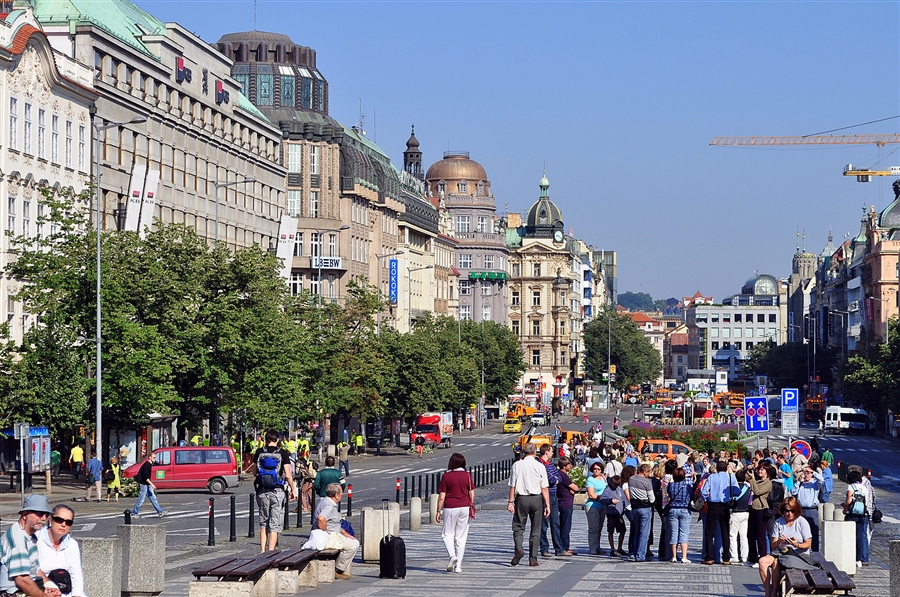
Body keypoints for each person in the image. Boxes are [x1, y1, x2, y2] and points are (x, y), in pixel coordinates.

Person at [0, 494, 61, 597]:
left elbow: (35, 569)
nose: (43, 518)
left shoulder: (28, 535)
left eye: (46, 514)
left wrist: (51, 586)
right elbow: (22, 580)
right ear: (24, 515)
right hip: (12, 593)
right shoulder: (18, 542)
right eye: (39, 513)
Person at [758, 497, 812, 597]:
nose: (789, 513)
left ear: (796, 511)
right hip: (781, 552)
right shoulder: (778, 522)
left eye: (792, 511)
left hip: (798, 553)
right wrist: (779, 541)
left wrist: (796, 544)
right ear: (783, 510)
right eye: (787, 510)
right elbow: (774, 546)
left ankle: (774, 593)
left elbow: (808, 544)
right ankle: (768, 592)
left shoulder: (802, 522)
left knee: (776, 562)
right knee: (762, 561)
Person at [507, 442, 550, 567]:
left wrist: (510, 502)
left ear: (524, 452)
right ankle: (533, 559)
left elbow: (512, 485)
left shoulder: (517, 465)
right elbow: (544, 488)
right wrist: (547, 505)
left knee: (518, 527)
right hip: (536, 499)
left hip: (521, 499)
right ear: (535, 452)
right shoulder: (540, 466)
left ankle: (519, 549)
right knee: (536, 529)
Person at [254, 430, 296, 553]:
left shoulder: (259, 452)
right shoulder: (282, 453)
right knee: (275, 524)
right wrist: (293, 489)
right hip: (277, 491)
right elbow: (288, 475)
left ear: (266, 440)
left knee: (263, 523)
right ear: (277, 439)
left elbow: (254, 473)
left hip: (262, 491)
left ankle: (262, 551)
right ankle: (271, 552)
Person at [436, 453, 474, 574]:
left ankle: (452, 556)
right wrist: (470, 504)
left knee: (447, 534)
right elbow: (472, 494)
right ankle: (458, 566)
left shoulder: (446, 476)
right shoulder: (467, 475)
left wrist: (438, 511)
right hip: (465, 506)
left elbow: (442, 496)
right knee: (461, 537)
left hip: (450, 507)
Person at [313, 483, 359, 580]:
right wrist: (325, 533)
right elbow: (321, 518)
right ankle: (338, 570)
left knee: (351, 540)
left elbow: (332, 522)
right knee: (354, 544)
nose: (342, 494)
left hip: (333, 533)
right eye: (341, 492)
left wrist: (343, 531)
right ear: (336, 495)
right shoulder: (329, 505)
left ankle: (338, 567)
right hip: (329, 537)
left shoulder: (324, 501)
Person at [37, 505, 85, 597]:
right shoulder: (37, 540)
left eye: (68, 522)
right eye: (59, 520)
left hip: (66, 590)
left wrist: (77, 595)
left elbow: (76, 575)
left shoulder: (72, 544)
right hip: (44, 589)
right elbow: (33, 570)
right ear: (50, 520)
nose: (63, 524)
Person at [701, 460, 737, 565]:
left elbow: (704, 491)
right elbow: (737, 491)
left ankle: (709, 557)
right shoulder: (730, 477)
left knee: (709, 532)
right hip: (725, 505)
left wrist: (706, 499)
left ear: (716, 469)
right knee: (725, 532)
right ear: (726, 469)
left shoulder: (712, 477)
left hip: (713, 505)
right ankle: (726, 558)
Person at [625, 464, 655, 562]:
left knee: (636, 531)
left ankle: (634, 552)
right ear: (645, 472)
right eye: (649, 472)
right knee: (644, 533)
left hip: (634, 508)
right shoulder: (647, 482)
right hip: (645, 507)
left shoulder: (631, 479)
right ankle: (640, 555)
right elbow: (652, 498)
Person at [747, 463, 774, 568]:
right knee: (751, 535)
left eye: (762, 470)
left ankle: (762, 558)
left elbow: (758, 491)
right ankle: (752, 558)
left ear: (767, 472)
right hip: (752, 508)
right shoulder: (757, 480)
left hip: (761, 509)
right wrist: (748, 470)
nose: (760, 471)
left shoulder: (768, 483)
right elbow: (745, 477)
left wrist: (753, 479)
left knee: (761, 536)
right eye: (759, 469)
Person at [537, 444, 562, 558]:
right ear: (546, 452)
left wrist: (555, 479)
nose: (553, 453)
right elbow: (548, 479)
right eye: (551, 451)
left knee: (555, 523)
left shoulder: (550, 464)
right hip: (544, 496)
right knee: (544, 524)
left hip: (553, 495)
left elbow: (558, 477)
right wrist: (554, 479)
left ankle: (558, 548)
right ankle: (544, 548)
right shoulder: (540, 464)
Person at [842, 468, 870, 568]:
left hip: (852, 515)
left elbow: (849, 501)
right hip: (862, 514)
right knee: (861, 537)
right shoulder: (865, 488)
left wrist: (845, 509)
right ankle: (862, 559)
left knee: (848, 536)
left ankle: (851, 557)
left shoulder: (851, 487)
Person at [792, 466, 823, 552]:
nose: (806, 475)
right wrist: (798, 481)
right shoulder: (801, 484)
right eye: (805, 473)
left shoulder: (815, 484)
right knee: (800, 530)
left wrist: (812, 472)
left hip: (811, 510)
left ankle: (815, 551)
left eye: (808, 473)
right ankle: (802, 549)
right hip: (801, 510)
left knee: (814, 531)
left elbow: (821, 480)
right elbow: (793, 492)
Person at [666, 465, 693, 563]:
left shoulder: (671, 485)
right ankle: (684, 557)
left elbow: (669, 494)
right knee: (684, 533)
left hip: (673, 509)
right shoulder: (687, 486)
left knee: (674, 533)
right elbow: (691, 496)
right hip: (684, 509)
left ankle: (674, 556)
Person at [555, 457, 579, 556]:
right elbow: (575, 488)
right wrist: (575, 489)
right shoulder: (563, 476)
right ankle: (564, 547)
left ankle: (564, 546)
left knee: (564, 525)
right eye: (569, 464)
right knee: (565, 526)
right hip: (566, 503)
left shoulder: (560, 474)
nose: (571, 466)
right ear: (564, 466)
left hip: (564, 502)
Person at [130, 451, 164, 518]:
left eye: (155, 457)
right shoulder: (146, 465)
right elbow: (146, 477)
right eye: (153, 457)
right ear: (149, 457)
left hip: (147, 484)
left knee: (153, 497)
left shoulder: (150, 464)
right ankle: (134, 513)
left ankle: (160, 511)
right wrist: (152, 484)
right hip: (144, 484)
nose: (155, 459)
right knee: (141, 499)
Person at [729, 469, 753, 564]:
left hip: (736, 512)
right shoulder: (748, 487)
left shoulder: (734, 488)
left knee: (733, 535)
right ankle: (744, 556)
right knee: (743, 536)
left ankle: (734, 556)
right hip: (746, 512)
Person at [584, 462, 607, 555]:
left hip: (603, 506)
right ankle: (593, 548)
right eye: (595, 469)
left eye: (598, 469)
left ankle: (598, 546)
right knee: (593, 528)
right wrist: (603, 499)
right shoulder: (590, 479)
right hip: (593, 506)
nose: (596, 470)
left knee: (599, 528)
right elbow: (591, 494)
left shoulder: (603, 478)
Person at [601, 475, 626, 556]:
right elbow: (602, 499)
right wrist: (610, 501)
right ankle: (612, 548)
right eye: (615, 485)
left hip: (619, 513)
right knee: (611, 531)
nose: (616, 486)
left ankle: (620, 547)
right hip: (611, 513)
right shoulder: (607, 489)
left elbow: (623, 499)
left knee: (623, 530)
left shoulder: (619, 489)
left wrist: (624, 508)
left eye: (617, 485)